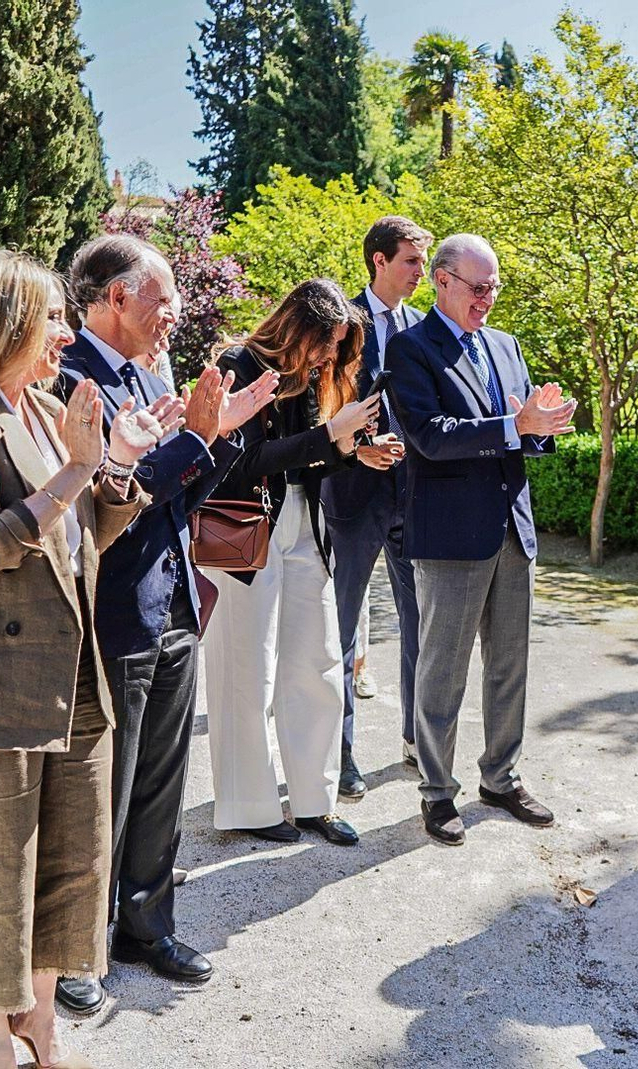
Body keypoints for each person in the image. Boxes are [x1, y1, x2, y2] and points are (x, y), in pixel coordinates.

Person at [0, 249, 173, 1069]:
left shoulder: (51, 410)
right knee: (0, 867)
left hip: (74, 667)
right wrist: (81, 467)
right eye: (52, 317)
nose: (65, 332)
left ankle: (41, 1018)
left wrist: (115, 465)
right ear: (2, 320)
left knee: (75, 857)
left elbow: (84, 535)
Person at [53, 234, 276, 1014]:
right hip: (112, 607)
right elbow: (109, 498)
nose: (176, 312)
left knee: (162, 781)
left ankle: (146, 926)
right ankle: (79, 946)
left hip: (175, 600)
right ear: (117, 296)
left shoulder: (150, 375)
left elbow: (179, 493)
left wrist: (223, 434)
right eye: (165, 296)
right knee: (102, 789)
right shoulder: (68, 377)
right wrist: (198, 437)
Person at [386, 233, 578, 846]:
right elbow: (430, 436)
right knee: (442, 673)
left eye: (494, 288)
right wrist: (514, 425)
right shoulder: (410, 348)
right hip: (450, 536)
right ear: (441, 280)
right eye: (478, 287)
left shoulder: (506, 345)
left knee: (509, 666)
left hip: (511, 530)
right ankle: (437, 792)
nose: (487, 299)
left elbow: (522, 434)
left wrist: (542, 426)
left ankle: (500, 778)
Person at [201, 279, 387, 846]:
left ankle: (314, 801)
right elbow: (241, 461)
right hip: (246, 531)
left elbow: (304, 462)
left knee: (319, 664)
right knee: (246, 672)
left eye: (337, 345)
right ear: (299, 326)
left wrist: (351, 451)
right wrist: (330, 435)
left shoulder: (308, 375)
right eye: (326, 341)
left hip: (306, 525)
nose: (330, 354)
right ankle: (250, 807)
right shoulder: (239, 364)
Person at [323, 215, 432, 797]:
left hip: (414, 496)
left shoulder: (423, 327)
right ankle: (340, 755)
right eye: (412, 261)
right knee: (340, 631)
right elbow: (322, 404)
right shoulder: (342, 324)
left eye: (424, 262)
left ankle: (417, 740)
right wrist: (356, 448)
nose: (421, 273)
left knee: (421, 623)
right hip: (353, 493)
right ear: (379, 261)